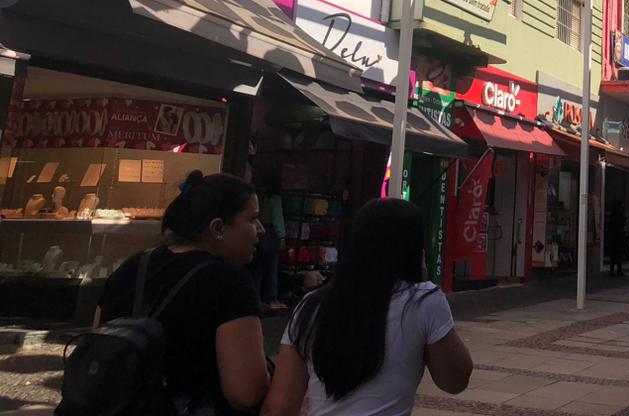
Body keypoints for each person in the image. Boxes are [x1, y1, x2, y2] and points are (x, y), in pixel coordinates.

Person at [263, 198, 473, 416]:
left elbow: (279, 407)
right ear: (413, 249)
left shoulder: (310, 305)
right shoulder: (422, 301)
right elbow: (455, 380)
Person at [95, 171, 270, 415]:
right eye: (252, 219)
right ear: (217, 227)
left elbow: (98, 344)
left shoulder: (131, 268)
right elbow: (246, 393)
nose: (261, 230)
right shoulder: (230, 282)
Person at [252, 172, 286, 312]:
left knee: (258, 267)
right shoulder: (275, 199)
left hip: (259, 231)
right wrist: (282, 237)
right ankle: (272, 298)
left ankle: (256, 298)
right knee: (272, 267)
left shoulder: (260, 197)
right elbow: (278, 219)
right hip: (271, 233)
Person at [606, 201, 628, 277]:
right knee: (618, 254)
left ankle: (613, 270)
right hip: (618, 236)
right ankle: (618, 270)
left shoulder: (613, 215)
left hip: (613, 237)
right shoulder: (619, 215)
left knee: (613, 254)